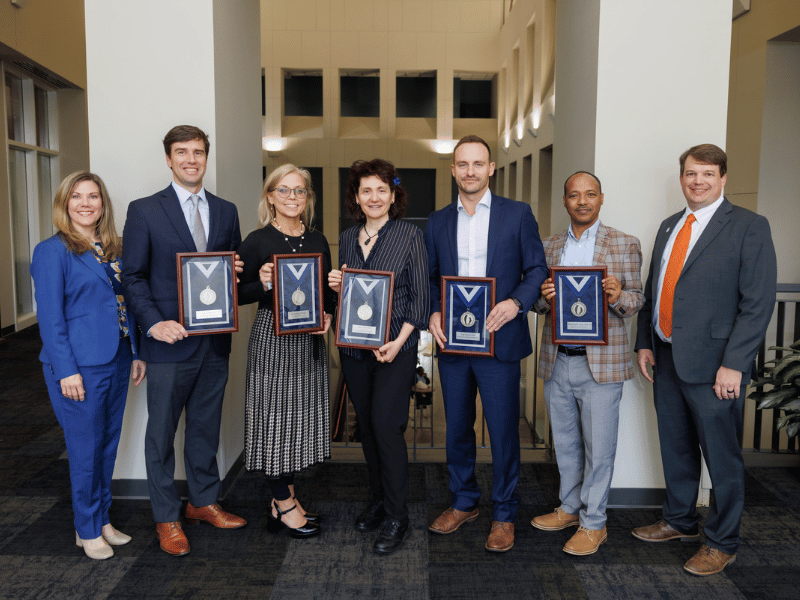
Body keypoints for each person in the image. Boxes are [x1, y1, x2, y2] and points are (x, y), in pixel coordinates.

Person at [633, 144, 777, 576]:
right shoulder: (668, 226)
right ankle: (679, 521)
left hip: (717, 366)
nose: (698, 181)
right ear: (682, 178)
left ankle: (722, 541)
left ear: (723, 179)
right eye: (691, 174)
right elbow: (654, 288)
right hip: (666, 357)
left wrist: (734, 363)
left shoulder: (749, 226)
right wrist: (644, 342)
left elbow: (757, 303)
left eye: (708, 175)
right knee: (676, 448)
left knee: (722, 457)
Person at [122, 125, 246, 556]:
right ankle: (166, 518)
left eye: (198, 152)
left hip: (213, 344)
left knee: (204, 429)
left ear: (206, 158)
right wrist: (154, 324)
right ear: (169, 159)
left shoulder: (226, 210)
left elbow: (228, 268)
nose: (191, 159)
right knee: (160, 435)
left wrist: (233, 275)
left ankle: (203, 501)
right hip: (167, 344)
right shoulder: (144, 211)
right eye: (182, 152)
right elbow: (132, 276)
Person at [425, 135, 548, 552]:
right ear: (454, 170)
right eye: (463, 164)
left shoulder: (518, 215)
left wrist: (516, 303)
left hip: (501, 341)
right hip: (455, 345)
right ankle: (463, 503)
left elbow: (536, 269)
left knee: (502, 432)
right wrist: (433, 312)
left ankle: (504, 513)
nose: (471, 171)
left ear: (491, 168)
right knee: (457, 428)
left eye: (479, 163)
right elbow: (429, 278)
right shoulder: (438, 221)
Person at [31, 171, 146, 560]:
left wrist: (137, 351)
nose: (85, 203)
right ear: (65, 204)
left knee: (107, 446)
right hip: (78, 366)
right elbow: (50, 318)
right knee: (84, 450)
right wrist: (67, 371)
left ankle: (101, 520)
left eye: (93, 196)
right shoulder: (52, 251)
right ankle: (85, 528)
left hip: (117, 357)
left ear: (103, 203)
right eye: (76, 197)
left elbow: (127, 303)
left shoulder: (114, 248)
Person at [530, 171, 644, 555]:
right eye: (574, 195)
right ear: (564, 201)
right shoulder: (547, 247)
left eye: (590, 194)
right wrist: (544, 296)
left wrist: (617, 295)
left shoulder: (625, 243)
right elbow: (538, 305)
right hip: (559, 359)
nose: (582, 201)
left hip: (602, 365)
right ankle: (569, 507)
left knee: (600, 447)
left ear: (601, 198)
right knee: (564, 442)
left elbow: (637, 301)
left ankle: (595, 523)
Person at [328, 158, 429, 555]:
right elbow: (353, 295)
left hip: (395, 349)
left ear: (393, 195)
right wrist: (336, 284)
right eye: (366, 190)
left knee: (387, 428)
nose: (374, 197)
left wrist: (399, 339)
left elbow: (420, 299)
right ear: (356, 196)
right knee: (366, 428)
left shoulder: (409, 236)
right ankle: (377, 500)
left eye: (381, 190)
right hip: (355, 350)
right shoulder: (349, 237)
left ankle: (397, 514)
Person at [237, 164, 336, 538]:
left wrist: (328, 312)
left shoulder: (317, 240)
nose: (292, 198)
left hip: (308, 340)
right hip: (272, 341)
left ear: (307, 198)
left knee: (295, 425)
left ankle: (283, 502)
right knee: (273, 421)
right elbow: (232, 295)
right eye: (284, 190)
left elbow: (323, 295)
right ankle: (284, 502)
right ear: (270, 196)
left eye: (299, 191)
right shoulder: (257, 240)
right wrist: (261, 284)